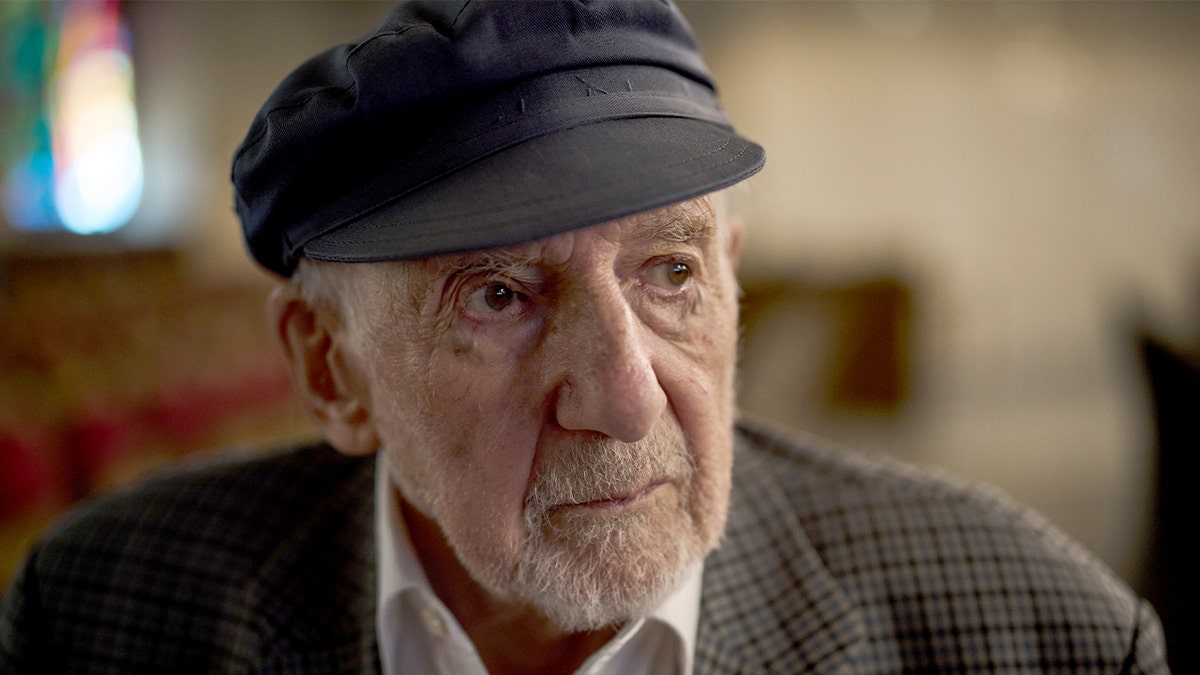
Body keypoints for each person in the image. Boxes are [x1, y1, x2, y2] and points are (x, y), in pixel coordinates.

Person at [0, 1, 1169, 673]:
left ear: (732, 282)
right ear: (328, 367)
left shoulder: (1041, 635)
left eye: (669, 272)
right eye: (498, 296)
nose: (624, 398)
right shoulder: (97, 614)